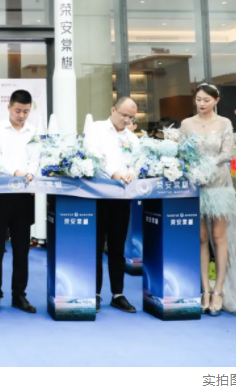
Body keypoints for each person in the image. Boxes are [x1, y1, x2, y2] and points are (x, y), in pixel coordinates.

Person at [180, 84, 236, 316]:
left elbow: (227, 153)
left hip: (218, 186)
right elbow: (183, 153)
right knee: (200, 238)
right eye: (198, 99)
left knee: (218, 236)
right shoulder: (187, 124)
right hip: (195, 187)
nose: (202, 103)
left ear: (216, 100)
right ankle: (205, 289)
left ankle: (219, 290)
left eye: (206, 99)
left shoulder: (225, 123)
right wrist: (193, 170)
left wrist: (207, 166)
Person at [83, 97, 140, 313]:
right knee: (96, 246)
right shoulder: (96, 129)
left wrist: (132, 173)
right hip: (98, 195)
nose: (126, 120)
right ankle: (95, 293)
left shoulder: (132, 138)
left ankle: (118, 294)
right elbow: (94, 156)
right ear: (113, 109)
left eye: (131, 117)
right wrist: (114, 173)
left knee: (117, 247)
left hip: (121, 197)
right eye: (124, 115)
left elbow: (137, 162)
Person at [0, 93, 38, 314]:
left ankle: (19, 295)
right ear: (9, 107)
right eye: (18, 111)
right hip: (0, 193)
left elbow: (35, 157)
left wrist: (31, 172)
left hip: (24, 195)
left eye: (26, 111)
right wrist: (15, 172)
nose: (22, 115)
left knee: (22, 248)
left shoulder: (33, 131)